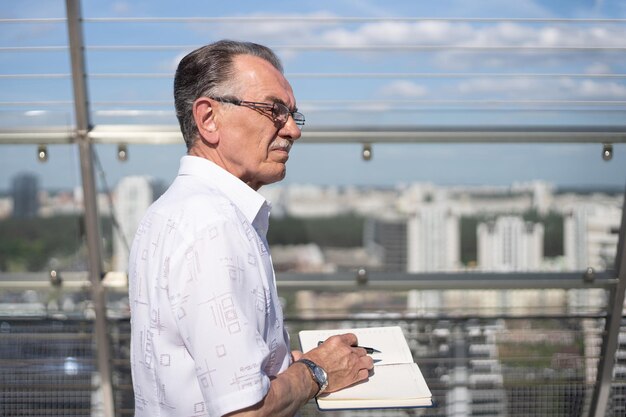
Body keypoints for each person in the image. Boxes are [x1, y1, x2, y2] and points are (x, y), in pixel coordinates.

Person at [128, 40, 373, 417]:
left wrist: (287, 365)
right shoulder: (214, 225)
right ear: (208, 118)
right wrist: (319, 371)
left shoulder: (169, 211)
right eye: (274, 110)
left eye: (292, 114)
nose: (292, 130)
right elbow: (247, 410)